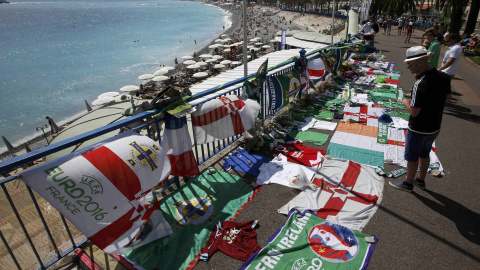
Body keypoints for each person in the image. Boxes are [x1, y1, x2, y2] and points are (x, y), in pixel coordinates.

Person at [389, 46, 451, 192]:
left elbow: (414, 112)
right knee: (425, 154)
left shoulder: (420, 83)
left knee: (412, 157)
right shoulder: (443, 76)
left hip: (418, 128)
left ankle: (408, 184)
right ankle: (420, 180)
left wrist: (405, 102)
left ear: (420, 62)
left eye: (410, 64)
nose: (408, 66)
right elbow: (447, 98)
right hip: (434, 126)